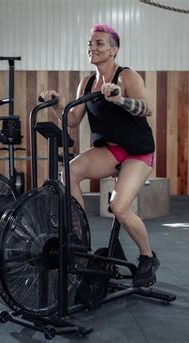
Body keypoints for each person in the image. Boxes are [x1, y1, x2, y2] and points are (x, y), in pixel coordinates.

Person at [40, 23, 159, 287]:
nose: (92, 48)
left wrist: (120, 100)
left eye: (99, 44)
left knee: (118, 208)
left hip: (137, 151)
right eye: (90, 44)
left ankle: (148, 257)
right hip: (110, 149)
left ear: (114, 50)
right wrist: (56, 104)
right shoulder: (87, 82)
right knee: (68, 171)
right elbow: (72, 120)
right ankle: (79, 235)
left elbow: (146, 108)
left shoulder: (126, 76)